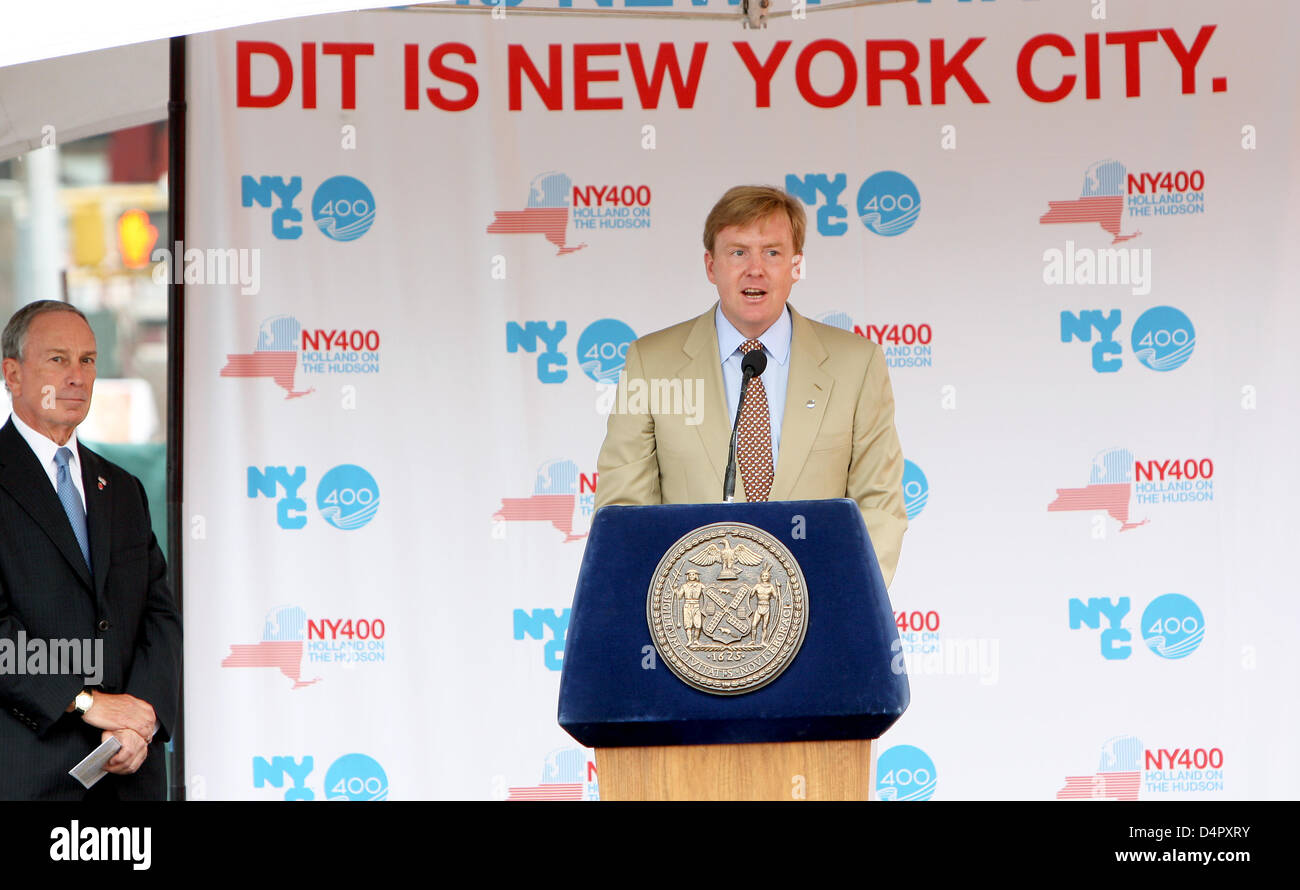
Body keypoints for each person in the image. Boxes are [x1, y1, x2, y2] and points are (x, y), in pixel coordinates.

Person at [594, 185, 908, 587]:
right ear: (711, 266)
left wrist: (844, 601)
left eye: (772, 253)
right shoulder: (650, 364)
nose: (755, 269)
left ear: (796, 266)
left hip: (821, 616)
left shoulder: (857, 364)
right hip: (693, 631)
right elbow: (624, 515)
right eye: (738, 252)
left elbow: (879, 504)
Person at [0, 300, 181, 800]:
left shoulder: (121, 488)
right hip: (28, 773)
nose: (77, 376)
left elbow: (159, 615)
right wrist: (84, 702)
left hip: (127, 772)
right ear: (12, 373)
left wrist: (137, 720)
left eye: (88, 360)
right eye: (58, 359)